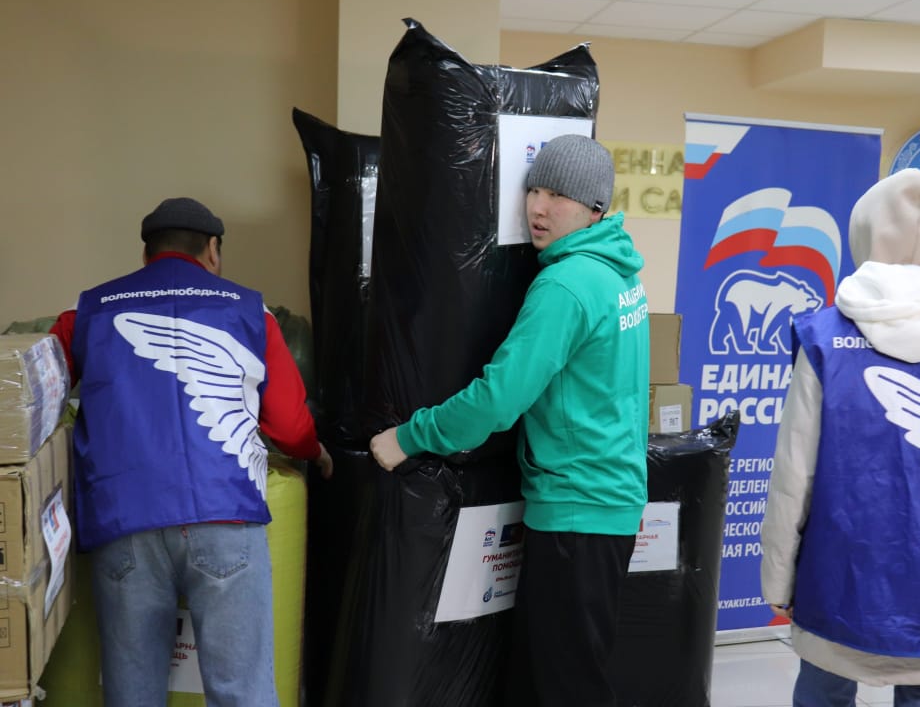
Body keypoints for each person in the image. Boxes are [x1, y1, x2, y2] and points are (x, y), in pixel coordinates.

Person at [369, 134, 649, 707]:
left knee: (565, 687)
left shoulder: (566, 285)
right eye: (534, 190)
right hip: (609, 503)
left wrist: (410, 436)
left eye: (558, 197)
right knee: (555, 675)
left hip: (575, 511)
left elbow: (498, 401)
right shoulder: (620, 274)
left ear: (595, 207)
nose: (538, 208)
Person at [49, 197, 333, 707]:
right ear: (213, 250)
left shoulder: (88, 310)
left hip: (124, 523)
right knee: (243, 694)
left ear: (146, 254)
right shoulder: (250, 310)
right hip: (224, 516)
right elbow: (291, 425)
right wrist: (315, 452)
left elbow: (35, 398)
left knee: (132, 697)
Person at [760, 168, 920, 707]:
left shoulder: (824, 339)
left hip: (839, 582)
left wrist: (777, 580)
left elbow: (794, 477)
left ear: (863, 237)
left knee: (824, 690)